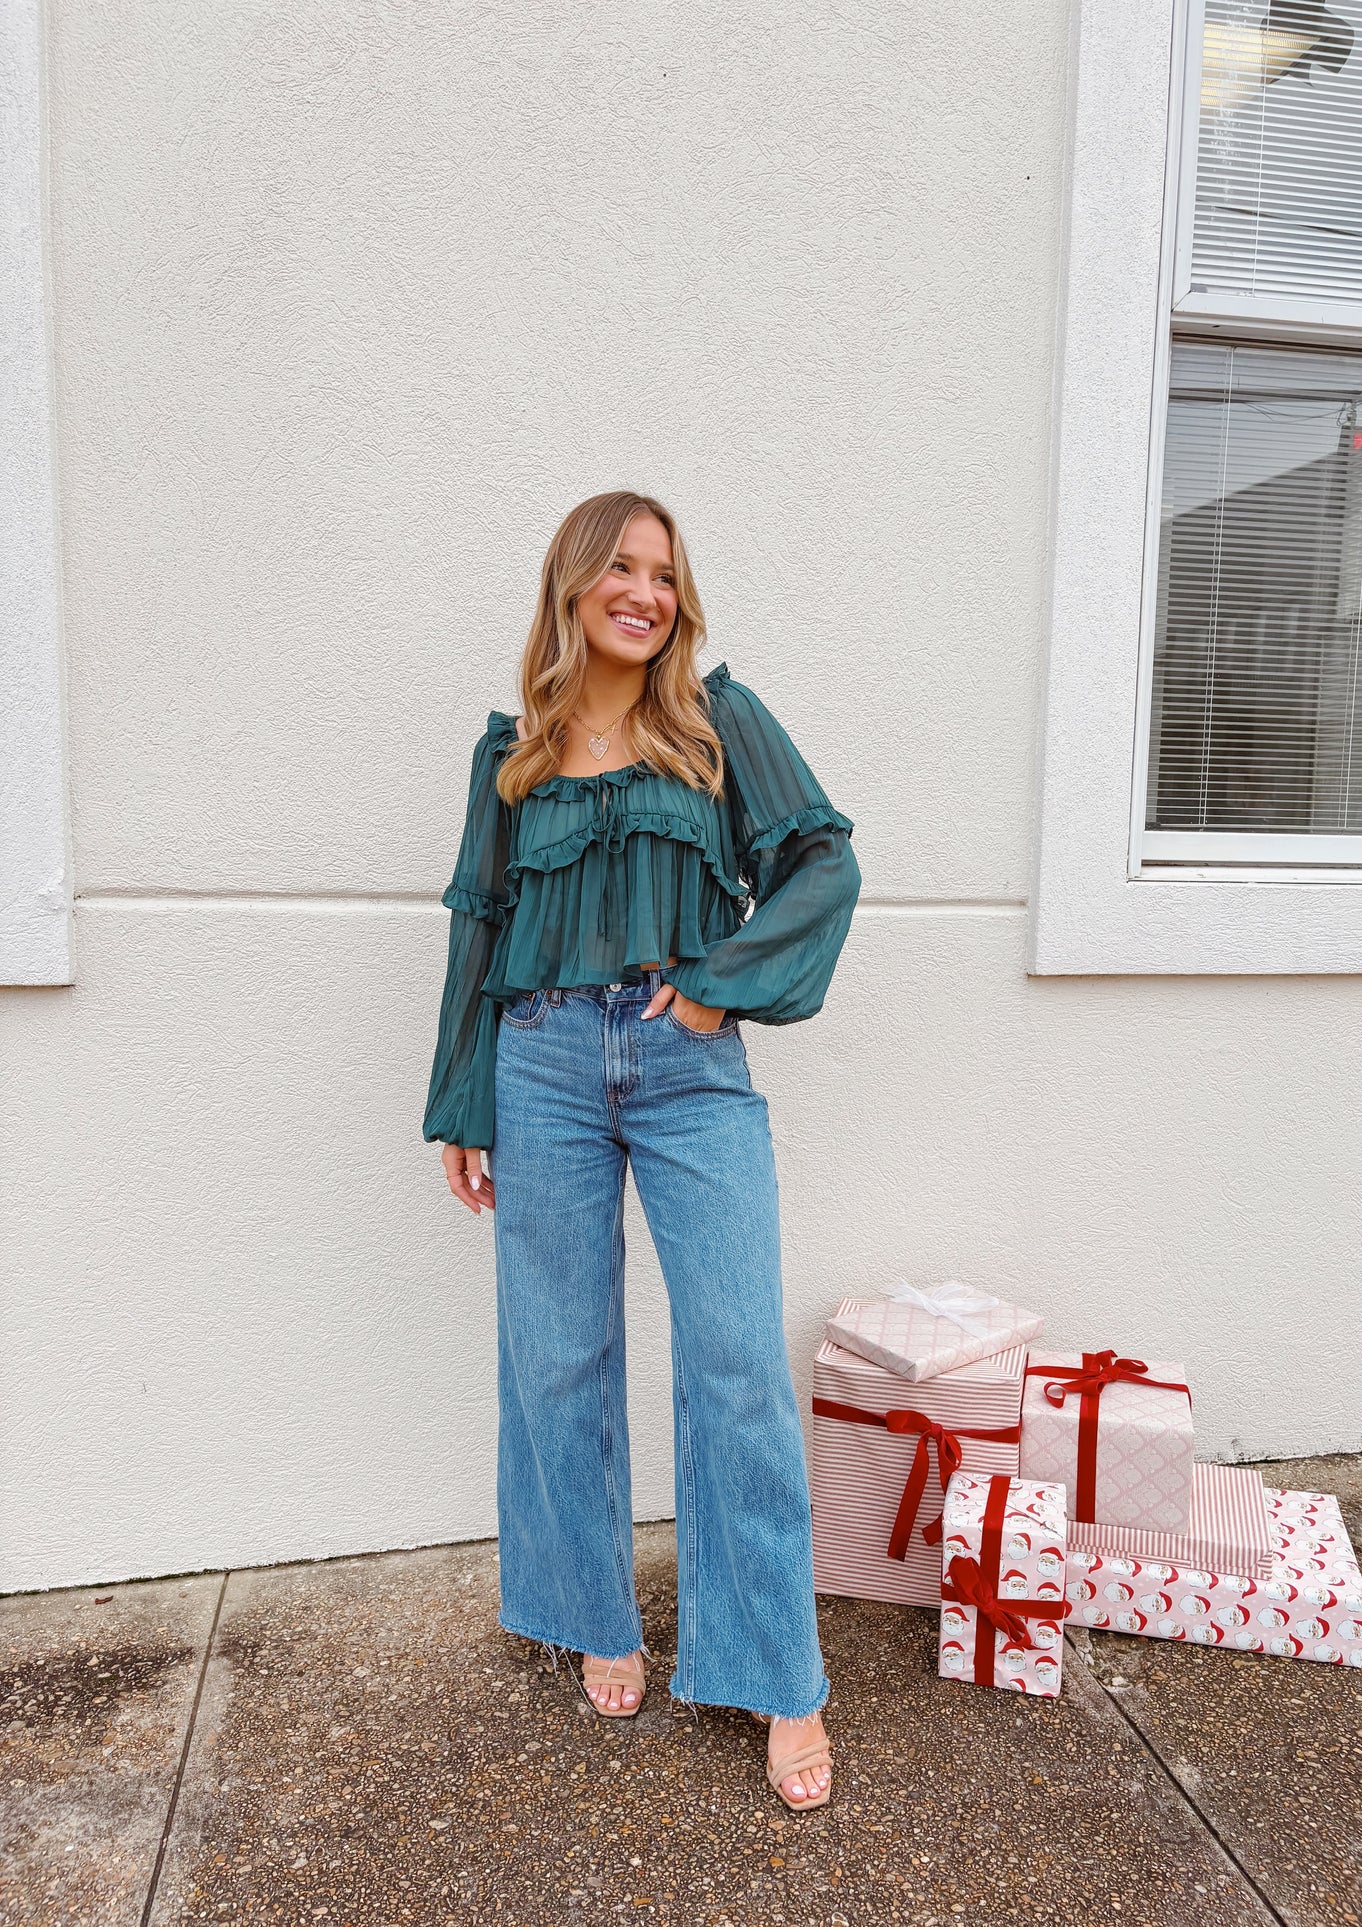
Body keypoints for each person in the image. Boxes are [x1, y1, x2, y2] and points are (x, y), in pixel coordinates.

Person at [423, 491, 860, 1811]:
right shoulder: (514, 751)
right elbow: (475, 928)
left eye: (663, 572)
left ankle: (777, 1675)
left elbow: (820, 861)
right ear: (573, 585)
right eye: (620, 566)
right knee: (556, 1360)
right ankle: (592, 1615)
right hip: (539, 1058)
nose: (645, 592)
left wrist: (719, 987)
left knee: (734, 1368)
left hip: (685, 1063)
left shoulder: (717, 719)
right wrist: (462, 1102)